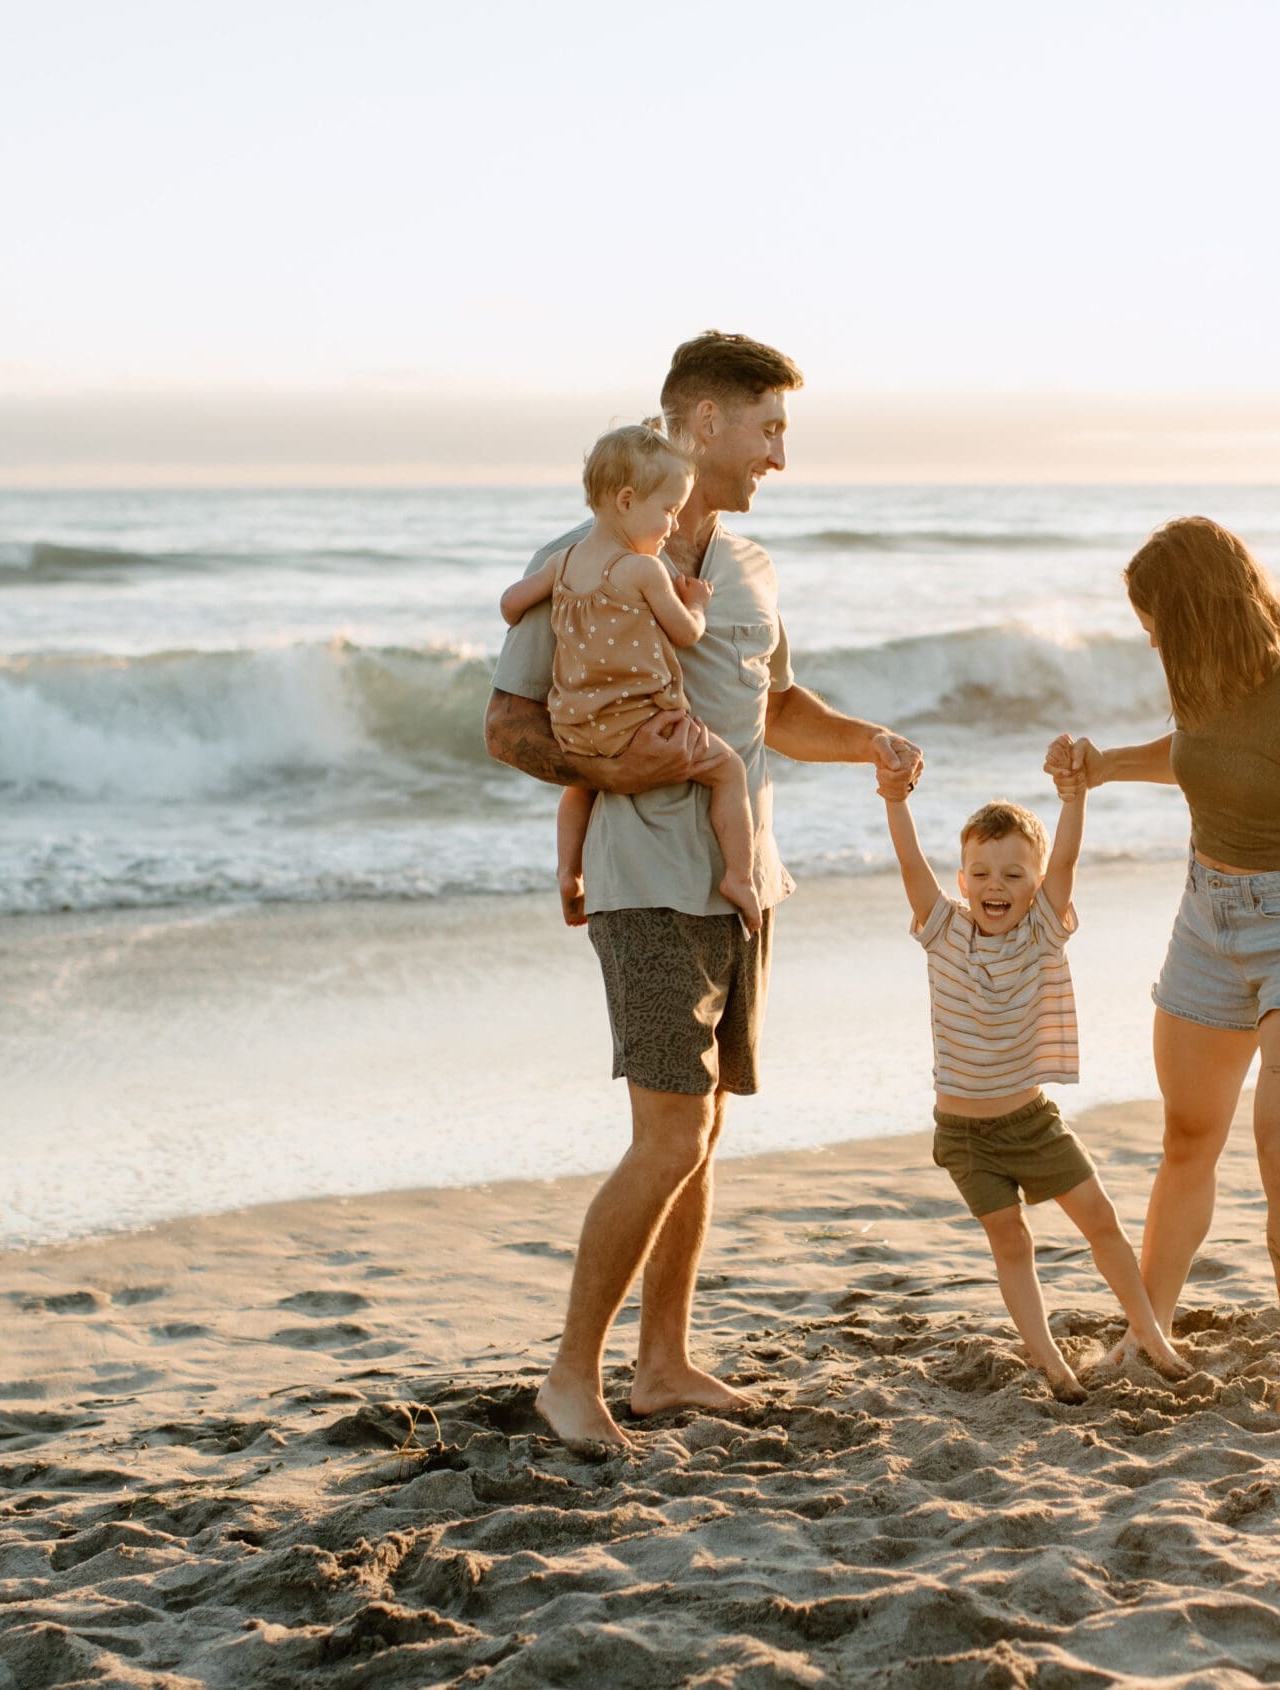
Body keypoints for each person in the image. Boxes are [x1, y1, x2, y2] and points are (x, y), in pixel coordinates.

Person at [485, 332, 923, 1449]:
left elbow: (775, 710)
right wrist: (605, 768)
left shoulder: (753, 567)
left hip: (742, 885)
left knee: (706, 1131)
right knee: (669, 1133)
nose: (780, 455)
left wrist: (870, 739)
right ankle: (568, 1376)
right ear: (700, 424)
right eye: (768, 428)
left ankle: (663, 1363)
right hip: (645, 882)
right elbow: (507, 727)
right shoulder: (581, 555)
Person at [1045, 516, 1280, 1420]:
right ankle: (1148, 1333)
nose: (1151, 638)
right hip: (1208, 923)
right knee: (1187, 1139)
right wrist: (1101, 767)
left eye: (1157, 620)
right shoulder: (1202, 675)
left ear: (1198, 610)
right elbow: (1198, 755)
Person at [877, 771, 1191, 1401]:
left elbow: (1068, 855)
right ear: (963, 882)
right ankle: (1051, 1362)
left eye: (1015, 874)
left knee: (1101, 1220)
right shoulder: (942, 931)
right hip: (966, 1135)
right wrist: (894, 799)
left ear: (1036, 885)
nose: (997, 885)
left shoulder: (1044, 928)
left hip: (1032, 1120)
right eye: (982, 873)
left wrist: (1074, 798)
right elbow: (910, 861)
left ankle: (1151, 1334)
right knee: (1011, 1241)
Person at [499, 423, 759, 931]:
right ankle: (740, 877)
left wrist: (528, 610)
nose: (672, 524)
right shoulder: (643, 570)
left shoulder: (562, 562)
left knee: (580, 788)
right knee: (728, 771)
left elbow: (510, 604)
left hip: (575, 726)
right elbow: (686, 635)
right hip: (641, 724)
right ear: (625, 500)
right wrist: (698, 603)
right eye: (667, 510)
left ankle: (569, 872)